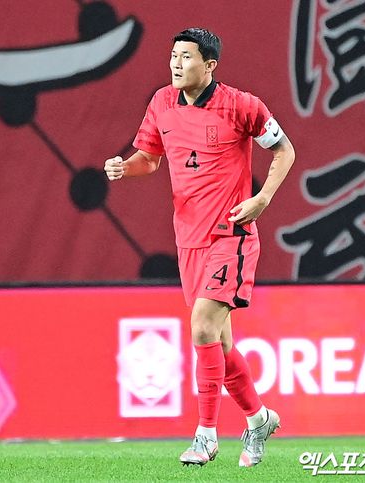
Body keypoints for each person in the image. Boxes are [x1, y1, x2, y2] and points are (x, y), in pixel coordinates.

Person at [104, 28, 295, 467]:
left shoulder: (241, 105)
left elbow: (284, 150)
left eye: (186, 57)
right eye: (173, 55)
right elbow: (149, 159)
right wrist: (123, 167)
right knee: (219, 346)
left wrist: (262, 198)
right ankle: (259, 418)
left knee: (203, 327)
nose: (176, 63)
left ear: (209, 65)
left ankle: (206, 435)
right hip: (188, 240)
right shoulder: (161, 103)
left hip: (231, 234)